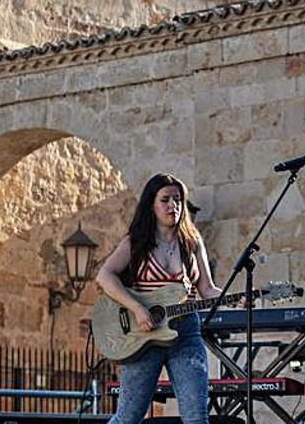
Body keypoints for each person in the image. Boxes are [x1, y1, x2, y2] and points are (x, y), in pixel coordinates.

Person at [96, 173, 222, 424]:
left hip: (186, 332)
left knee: (197, 417)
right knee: (129, 417)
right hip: (144, 335)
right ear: (151, 205)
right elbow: (105, 276)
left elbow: (207, 289)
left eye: (177, 199)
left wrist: (236, 298)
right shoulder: (136, 243)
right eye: (165, 200)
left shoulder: (192, 242)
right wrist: (138, 308)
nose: (172, 205)